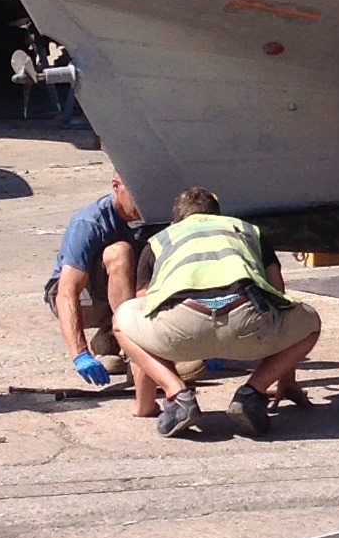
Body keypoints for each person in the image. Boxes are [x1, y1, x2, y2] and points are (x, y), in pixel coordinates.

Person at [113, 186, 321, 438]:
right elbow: (279, 296)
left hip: (182, 329)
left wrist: (144, 404)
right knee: (309, 322)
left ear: (176, 219)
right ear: (218, 215)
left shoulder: (160, 240)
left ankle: (178, 396)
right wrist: (285, 380)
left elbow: (146, 308)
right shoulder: (248, 231)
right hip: (246, 324)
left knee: (122, 322)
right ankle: (252, 394)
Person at [45, 176, 146, 385]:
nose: (142, 201)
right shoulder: (90, 222)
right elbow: (67, 292)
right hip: (83, 299)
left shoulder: (157, 216)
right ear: (116, 187)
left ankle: (109, 338)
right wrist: (80, 354)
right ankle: (133, 351)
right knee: (120, 253)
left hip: (122, 293)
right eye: (135, 193)